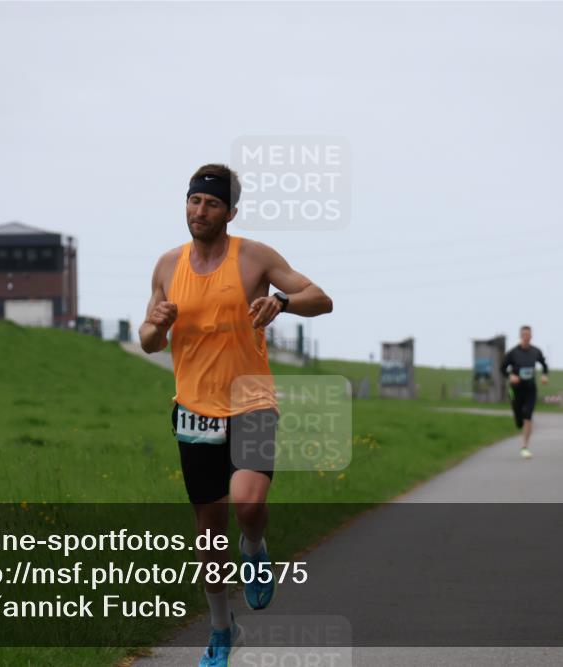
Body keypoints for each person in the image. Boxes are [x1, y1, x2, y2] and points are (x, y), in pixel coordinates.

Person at [140, 163, 333, 667]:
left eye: (210, 203)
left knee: (247, 504)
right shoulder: (166, 266)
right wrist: (156, 325)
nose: (198, 210)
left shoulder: (253, 257)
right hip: (194, 411)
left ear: (230, 211)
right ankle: (223, 632)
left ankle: (256, 549)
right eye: (193, 201)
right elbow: (147, 341)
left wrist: (282, 302)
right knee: (208, 535)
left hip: (252, 402)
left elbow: (321, 298)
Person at [501, 325, 549, 459]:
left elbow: (544, 365)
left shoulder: (536, 352)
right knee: (519, 419)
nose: (526, 337)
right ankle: (517, 417)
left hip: (530, 389)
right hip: (514, 390)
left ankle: (525, 446)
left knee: (528, 416)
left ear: (531, 336)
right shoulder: (513, 353)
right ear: (520, 336)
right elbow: (502, 368)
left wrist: (544, 376)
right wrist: (511, 376)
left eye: (528, 335)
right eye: (524, 335)